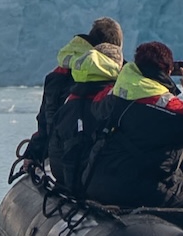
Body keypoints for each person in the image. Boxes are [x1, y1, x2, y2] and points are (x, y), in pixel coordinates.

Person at [80, 41, 183, 218]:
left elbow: (97, 102)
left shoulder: (114, 95)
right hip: (142, 189)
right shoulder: (167, 106)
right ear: (168, 71)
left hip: (100, 184)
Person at [22, 19, 122, 166]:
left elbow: (45, 123)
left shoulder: (57, 75)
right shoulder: (115, 76)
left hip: (58, 157)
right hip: (97, 161)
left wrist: (32, 153)